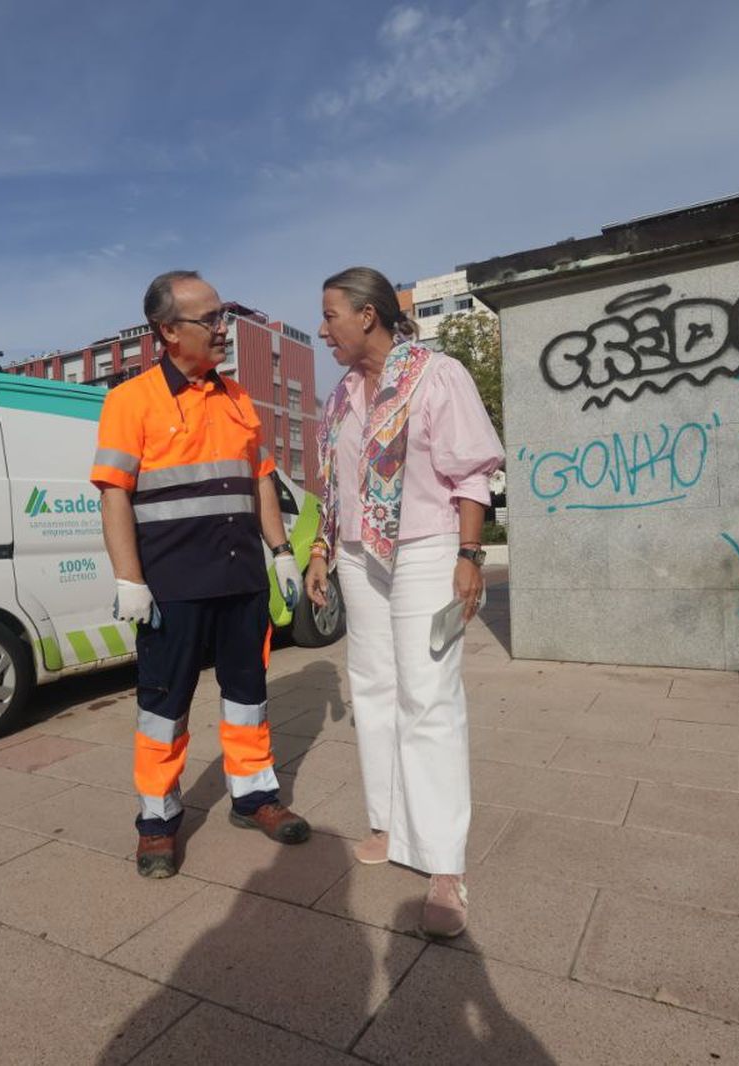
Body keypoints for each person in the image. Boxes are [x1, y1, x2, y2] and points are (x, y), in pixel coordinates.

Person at [91, 270, 311, 879]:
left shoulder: (239, 399)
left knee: (248, 698)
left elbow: (261, 477)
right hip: (172, 588)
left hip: (242, 580)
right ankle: (158, 823)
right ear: (167, 331)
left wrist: (281, 551)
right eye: (209, 319)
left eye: (222, 317)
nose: (222, 329)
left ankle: (255, 797)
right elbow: (113, 496)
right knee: (164, 706)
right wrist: (128, 579)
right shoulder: (129, 401)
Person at [305, 266, 503, 937]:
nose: (322, 328)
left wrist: (469, 556)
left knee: (428, 694)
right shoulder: (339, 398)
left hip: (423, 546)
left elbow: (473, 469)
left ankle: (445, 863)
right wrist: (321, 552)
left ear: (368, 314)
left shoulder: (435, 374)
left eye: (330, 314)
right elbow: (332, 485)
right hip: (358, 554)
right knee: (375, 686)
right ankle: (390, 822)